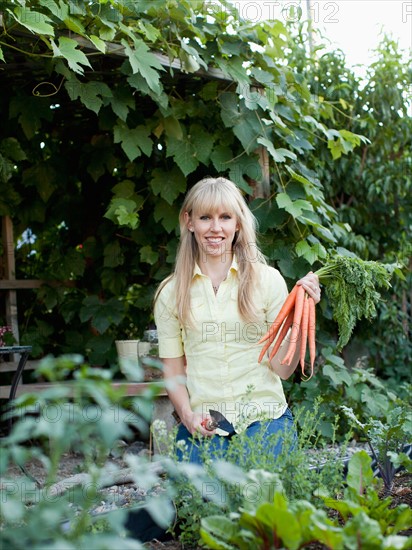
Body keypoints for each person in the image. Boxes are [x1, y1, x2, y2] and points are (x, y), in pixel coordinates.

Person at [154, 177, 321, 465]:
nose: (215, 228)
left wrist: (299, 313)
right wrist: (188, 416)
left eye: (225, 217)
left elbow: (282, 369)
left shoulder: (267, 281)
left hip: (265, 419)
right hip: (206, 424)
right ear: (189, 221)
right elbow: (173, 374)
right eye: (205, 217)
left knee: (265, 503)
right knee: (199, 505)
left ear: (238, 224)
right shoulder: (171, 293)